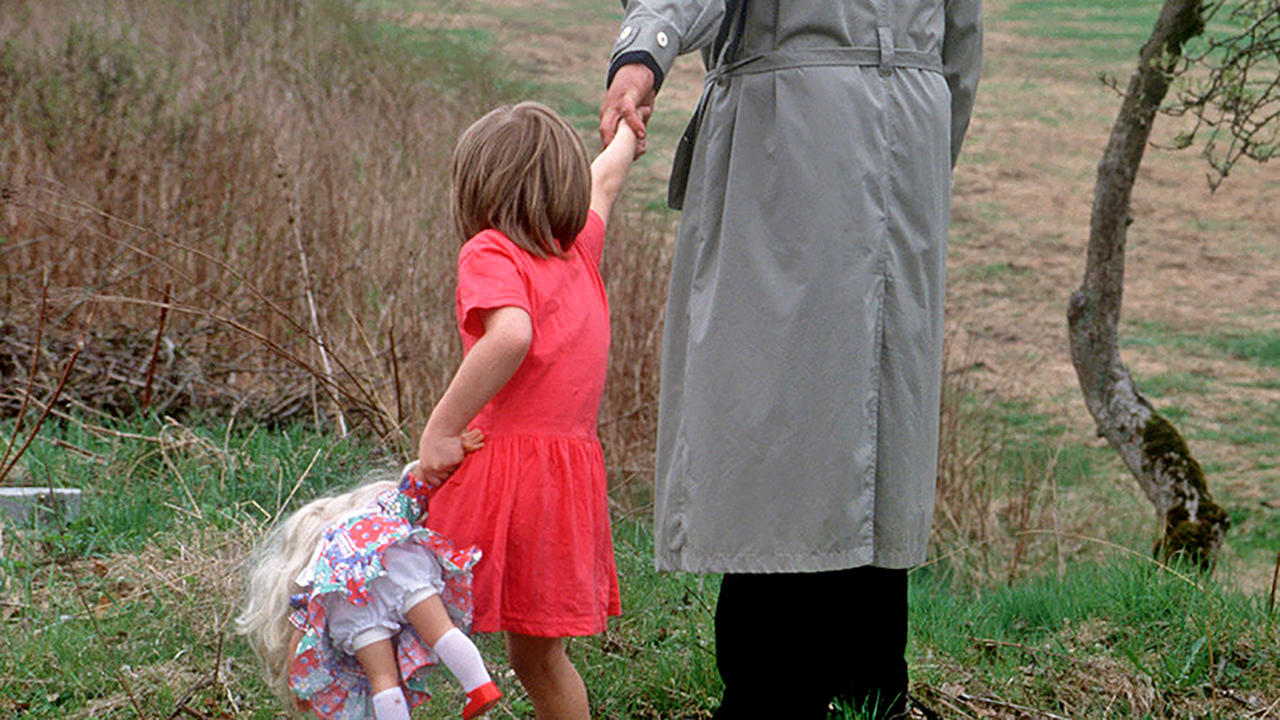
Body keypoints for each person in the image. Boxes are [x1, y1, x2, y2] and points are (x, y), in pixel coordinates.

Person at [599, 2, 982, 718]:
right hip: (883, 138)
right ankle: (858, 685)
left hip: (802, 138)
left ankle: (791, 691)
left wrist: (642, 52)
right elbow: (961, 51)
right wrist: (646, 49)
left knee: (799, 422)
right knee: (834, 416)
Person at [412, 101, 638, 720]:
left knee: (400, 602)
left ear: (478, 188)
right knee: (539, 657)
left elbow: (510, 335)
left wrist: (441, 429)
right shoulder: (577, 250)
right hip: (565, 485)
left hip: (503, 480)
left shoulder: (491, 252)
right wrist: (625, 133)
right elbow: (607, 179)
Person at [236, 446, 502, 720]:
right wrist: (451, 448)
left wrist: (301, 683)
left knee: (383, 679)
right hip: (400, 569)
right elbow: (416, 482)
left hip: (353, 608)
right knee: (443, 632)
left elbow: (303, 624)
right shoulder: (378, 510)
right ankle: (480, 686)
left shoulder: (321, 563)